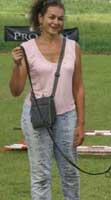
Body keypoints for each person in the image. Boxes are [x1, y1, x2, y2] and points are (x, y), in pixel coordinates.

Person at [9, 0, 85, 199]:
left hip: (67, 116)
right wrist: (17, 66)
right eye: (51, 17)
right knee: (41, 176)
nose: (56, 22)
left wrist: (81, 124)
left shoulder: (73, 47)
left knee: (70, 173)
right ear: (40, 19)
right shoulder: (26, 48)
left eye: (60, 18)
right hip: (37, 116)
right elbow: (16, 91)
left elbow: (78, 87)